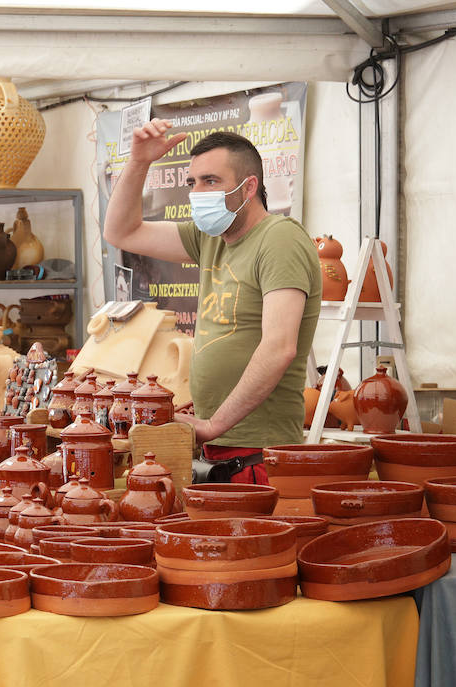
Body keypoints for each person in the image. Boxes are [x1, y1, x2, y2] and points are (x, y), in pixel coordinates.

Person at [103, 122, 321, 483]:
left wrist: (214, 423)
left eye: (211, 181)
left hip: (257, 454)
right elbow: (121, 232)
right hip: (217, 450)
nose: (198, 192)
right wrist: (139, 162)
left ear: (249, 187)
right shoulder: (211, 238)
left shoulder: (279, 238)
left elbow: (279, 347)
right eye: (193, 183)